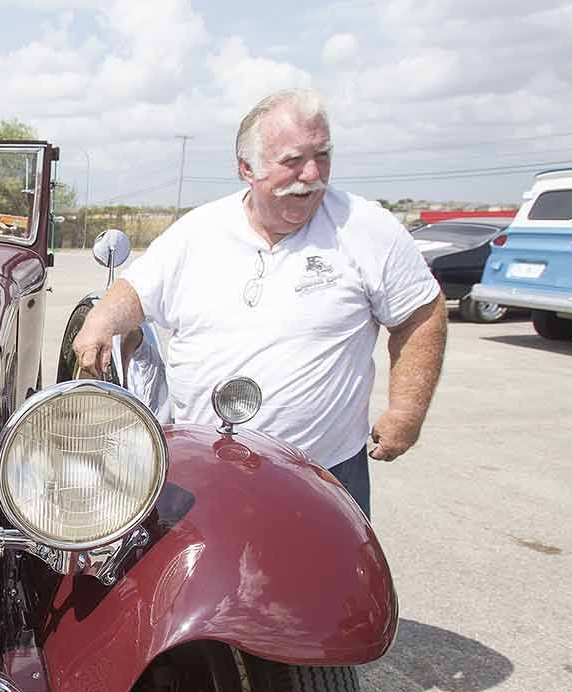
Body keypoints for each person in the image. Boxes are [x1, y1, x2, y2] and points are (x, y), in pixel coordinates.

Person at [71, 88, 446, 517]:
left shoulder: (364, 227)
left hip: (324, 475)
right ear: (246, 168)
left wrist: (405, 412)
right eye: (292, 161)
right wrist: (102, 321)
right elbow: (134, 291)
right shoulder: (198, 232)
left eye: (322, 155)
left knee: (328, 582)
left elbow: (422, 313)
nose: (312, 174)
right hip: (203, 471)